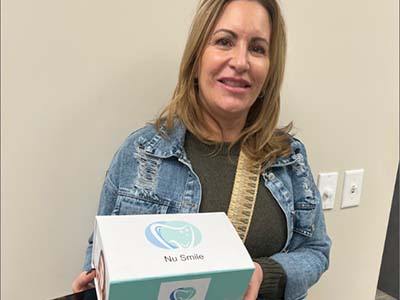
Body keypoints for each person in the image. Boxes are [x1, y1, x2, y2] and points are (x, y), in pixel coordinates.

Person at [72, 0, 331, 299]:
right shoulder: (141, 153)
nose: (241, 62)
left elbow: (316, 250)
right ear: (196, 60)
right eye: (224, 41)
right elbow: (102, 253)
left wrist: (264, 273)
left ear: (270, 72)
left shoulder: (288, 158)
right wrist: (94, 287)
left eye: (258, 48)